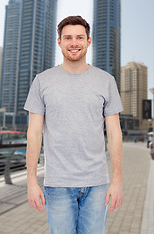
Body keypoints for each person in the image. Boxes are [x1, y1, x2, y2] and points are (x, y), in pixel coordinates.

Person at [24, 16, 123, 234]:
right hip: (57, 183)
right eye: (68, 38)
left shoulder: (106, 81)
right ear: (59, 42)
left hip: (97, 184)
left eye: (79, 37)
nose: (74, 43)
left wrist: (117, 180)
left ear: (89, 41)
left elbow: (115, 133)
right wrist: (31, 181)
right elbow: (34, 133)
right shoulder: (42, 81)